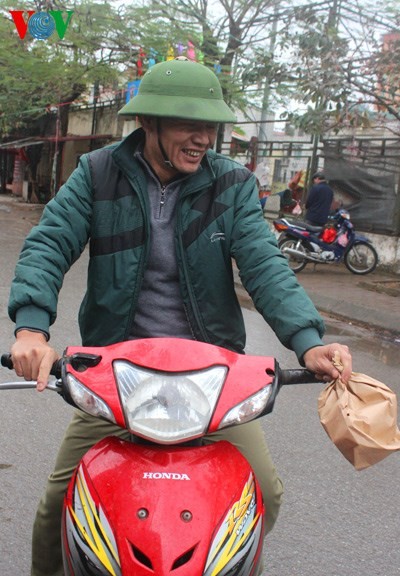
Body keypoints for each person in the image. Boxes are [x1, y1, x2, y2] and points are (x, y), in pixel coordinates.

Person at [7, 59, 352, 576]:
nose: (203, 139)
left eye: (209, 127)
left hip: (211, 376)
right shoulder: (97, 172)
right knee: (57, 507)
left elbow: (263, 262)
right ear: (149, 123)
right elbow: (50, 242)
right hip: (116, 373)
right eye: (189, 126)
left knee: (263, 495)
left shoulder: (232, 183)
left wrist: (308, 341)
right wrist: (32, 329)